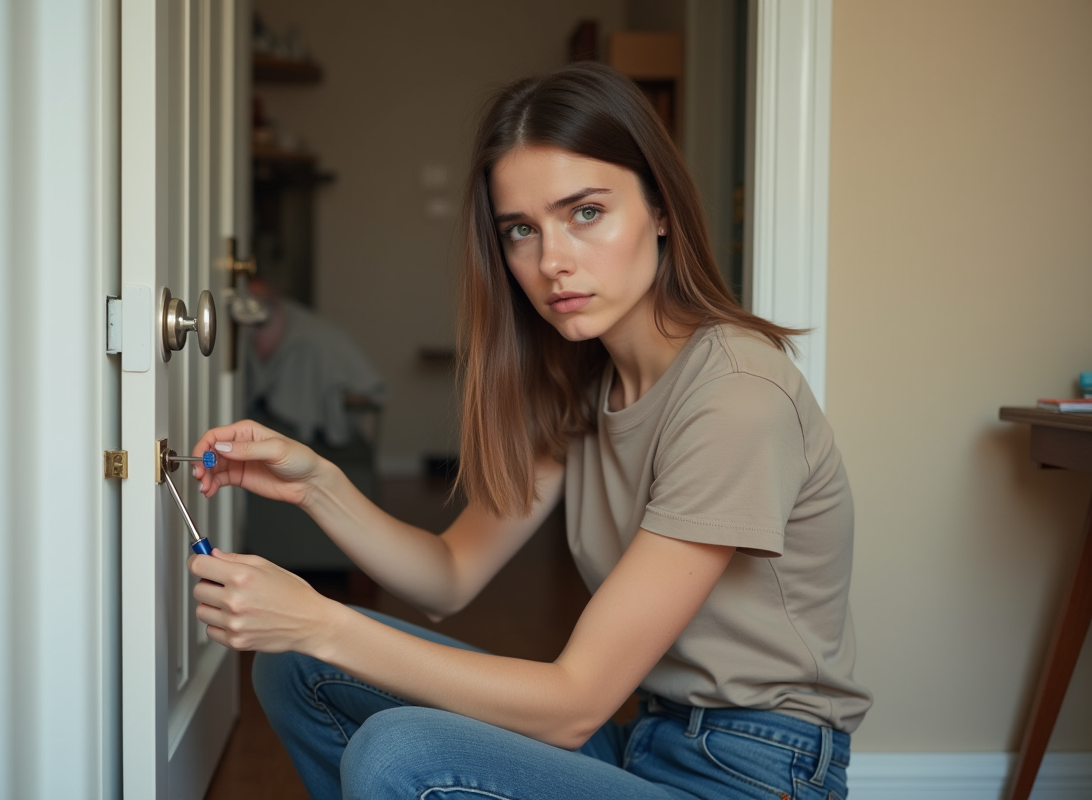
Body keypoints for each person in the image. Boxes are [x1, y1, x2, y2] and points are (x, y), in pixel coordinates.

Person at [186, 61, 872, 800]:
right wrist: (318, 483)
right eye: (521, 229)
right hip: (643, 736)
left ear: (661, 207)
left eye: (585, 213)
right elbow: (449, 575)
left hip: (755, 772)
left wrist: (318, 620)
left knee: (396, 750)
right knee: (298, 669)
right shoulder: (585, 387)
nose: (551, 262)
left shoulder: (736, 396)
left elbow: (575, 703)